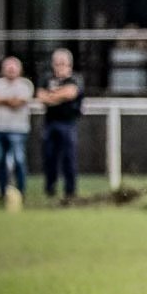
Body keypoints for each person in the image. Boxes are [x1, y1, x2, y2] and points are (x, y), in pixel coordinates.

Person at [36, 48, 83, 202]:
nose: (60, 66)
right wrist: (59, 96)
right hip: (50, 123)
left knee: (69, 158)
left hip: (68, 123)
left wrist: (53, 96)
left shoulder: (75, 79)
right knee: (49, 157)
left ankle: (70, 191)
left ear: (70, 64)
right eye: (57, 63)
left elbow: (70, 93)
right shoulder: (46, 78)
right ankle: (50, 189)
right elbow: (41, 96)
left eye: (63, 63)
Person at [0, 56, 34, 201]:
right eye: (8, 66)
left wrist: (0, 100)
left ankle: (21, 190)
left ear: (20, 69)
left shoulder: (25, 84)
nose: (11, 69)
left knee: (19, 160)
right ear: (2, 69)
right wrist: (8, 99)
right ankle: (2, 190)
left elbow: (18, 103)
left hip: (18, 129)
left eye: (14, 66)